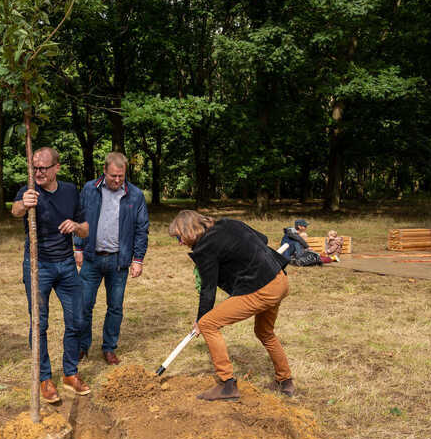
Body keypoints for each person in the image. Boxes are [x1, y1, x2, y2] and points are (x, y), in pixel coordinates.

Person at [168, 210, 296, 401]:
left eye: (179, 237)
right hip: (279, 279)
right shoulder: (229, 223)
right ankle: (285, 381)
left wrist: (200, 320)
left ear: (188, 231)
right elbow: (263, 238)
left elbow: (208, 289)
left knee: (208, 324)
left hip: (261, 289)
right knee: (265, 332)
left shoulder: (204, 248)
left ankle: (227, 384)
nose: (179, 242)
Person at [12, 147, 91, 403]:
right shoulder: (29, 190)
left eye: (44, 168)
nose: (38, 172)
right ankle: (45, 379)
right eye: (35, 168)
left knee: (77, 320)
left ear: (57, 167)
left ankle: (70, 374)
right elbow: (15, 211)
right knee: (39, 323)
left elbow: (86, 230)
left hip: (67, 264)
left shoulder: (69, 191)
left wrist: (76, 226)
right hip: (38, 266)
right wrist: (24, 204)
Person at [74, 152, 149, 365]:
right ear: (104, 171)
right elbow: (79, 218)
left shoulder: (135, 195)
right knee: (84, 305)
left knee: (115, 307)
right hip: (91, 258)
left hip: (119, 261)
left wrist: (138, 259)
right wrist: (77, 247)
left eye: (121, 176)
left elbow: (142, 228)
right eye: (113, 176)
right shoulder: (89, 189)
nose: (117, 180)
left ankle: (109, 347)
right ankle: (82, 346)